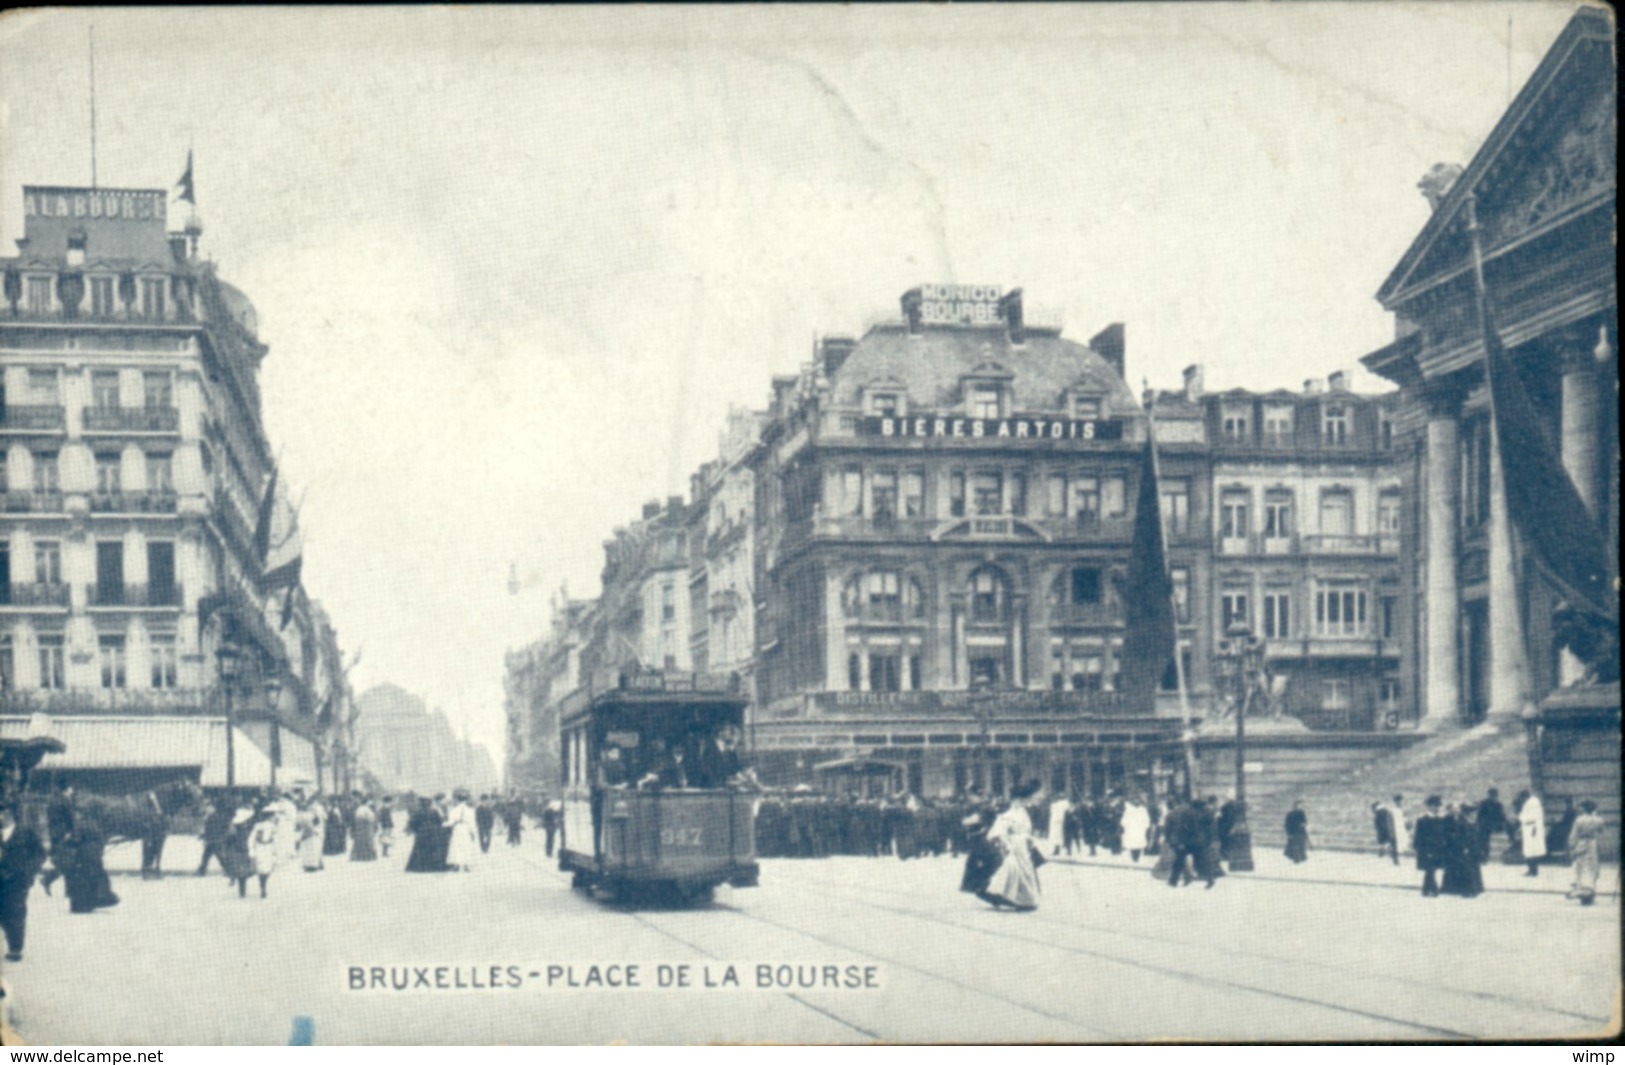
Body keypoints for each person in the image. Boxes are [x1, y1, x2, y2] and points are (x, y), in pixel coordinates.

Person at [981, 784, 1042, 911]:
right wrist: (1006, 845)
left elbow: (1027, 830)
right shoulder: (1008, 815)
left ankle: (1025, 900)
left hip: (1023, 845)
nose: (1022, 803)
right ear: (1015, 801)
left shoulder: (1024, 813)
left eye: (1023, 801)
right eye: (1020, 801)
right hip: (1013, 844)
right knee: (1014, 869)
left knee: (1025, 871)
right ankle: (1010, 897)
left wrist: (1030, 840)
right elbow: (999, 831)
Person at [0, 804, 47, 962]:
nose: (2, 816)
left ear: (13, 815)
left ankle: (15, 948)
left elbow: (40, 853)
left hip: (17, 880)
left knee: (15, 912)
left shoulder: (25, 833)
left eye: (5, 812)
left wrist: (28, 872)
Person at [1565, 800, 1605, 906]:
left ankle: (1580, 890)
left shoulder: (1579, 820)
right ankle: (1589, 893)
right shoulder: (1598, 820)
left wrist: (1572, 848)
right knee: (1592, 868)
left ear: (1584, 809)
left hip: (1581, 843)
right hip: (1593, 844)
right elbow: (1601, 831)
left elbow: (1573, 835)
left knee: (1580, 868)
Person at [1412, 795, 1448, 897]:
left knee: (1432, 869)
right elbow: (1419, 836)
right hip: (1426, 848)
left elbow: (1442, 834)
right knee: (1430, 869)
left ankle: (1426, 889)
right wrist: (1420, 848)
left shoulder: (1440, 819)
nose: (1438, 808)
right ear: (1430, 806)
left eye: (1439, 806)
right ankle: (1433, 889)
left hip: (1438, 848)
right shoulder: (1423, 820)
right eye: (1436, 806)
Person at [220, 802, 257, 898]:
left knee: (241, 873)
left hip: (238, 851)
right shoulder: (245, 829)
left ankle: (241, 890)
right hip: (242, 851)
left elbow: (227, 841)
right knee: (242, 873)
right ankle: (242, 891)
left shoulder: (235, 828)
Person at [405, 797, 446, 873]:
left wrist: (415, 830)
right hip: (433, 833)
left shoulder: (417, 812)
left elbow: (413, 823)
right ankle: (432, 866)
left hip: (421, 833)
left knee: (420, 849)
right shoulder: (434, 812)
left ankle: (420, 866)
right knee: (432, 849)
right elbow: (439, 821)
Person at [248, 808, 280, 898]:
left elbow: (251, 838)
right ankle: (263, 886)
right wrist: (276, 850)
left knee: (262, 868)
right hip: (267, 848)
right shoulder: (272, 826)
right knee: (266, 868)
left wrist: (251, 848)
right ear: (269, 817)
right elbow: (275, 839)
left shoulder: (257, 825)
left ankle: (262, 885)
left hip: (260, 848)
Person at [195, 799, 231, 876]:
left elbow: (211, 828)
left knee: (219, 856)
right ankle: (202, 870)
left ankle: (229, 870)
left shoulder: (214, 817)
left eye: (208, 807)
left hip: (215, 839)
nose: (206, 809)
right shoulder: (213, 816)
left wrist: (205, 836)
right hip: (214, 839)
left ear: (212, 808)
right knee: (207, 856)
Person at [445, 790, 478, 872]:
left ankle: (456, 865)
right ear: (466, 800)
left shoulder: (454, 810)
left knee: (456, 846)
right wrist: (473, 832)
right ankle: (466, 865)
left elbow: (450, 822)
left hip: (457, 828)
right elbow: (472, 823)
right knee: (466, 846)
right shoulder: (470, 810)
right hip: (466, 829)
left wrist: (444, 825)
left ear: (458, 800)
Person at [1515, 789, 1546, 876]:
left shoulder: (1532, 803)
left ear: (1525, 797)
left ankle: (1532, 870)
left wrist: (1520, 817)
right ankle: (1532, 870)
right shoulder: (1533, 802)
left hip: (1531, 829)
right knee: (1531, 851)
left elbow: (1530, 817)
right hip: (1530, 828)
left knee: (1531, 851)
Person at [1476, 787, 1507, 861]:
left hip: (1495, 824)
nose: (1493, 797)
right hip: (1486, 825)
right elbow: (1480, 815)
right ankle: (1484, 856)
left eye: (1494, 795)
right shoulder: (1484, 803)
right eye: (1492, 795)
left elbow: (1502, 816)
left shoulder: (1498, 804)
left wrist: (1502, 823)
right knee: (1483, 839)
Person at [1119, 796, 1151, 863]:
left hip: (1140, 829)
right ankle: (1133, 856)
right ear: (1133, 802)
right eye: (1135, 800)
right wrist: (1126, 826)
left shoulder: (1143, 810)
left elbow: (1146, 819)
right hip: (1131, 829)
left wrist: (1145, 826)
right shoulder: (1129, 810)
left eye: (1138, 800)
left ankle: (1137, 855)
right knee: (1132, 844)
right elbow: (1124, 820)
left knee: (1139, 843)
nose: (1136, 802)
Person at [298, 797, 326, 872]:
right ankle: (314, 864)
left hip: (313, 831)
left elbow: (318, 821)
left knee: (312, 848)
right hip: (313, 832)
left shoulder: (306, 814)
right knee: (313, 848)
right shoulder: (309, 813)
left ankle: (314, 864)